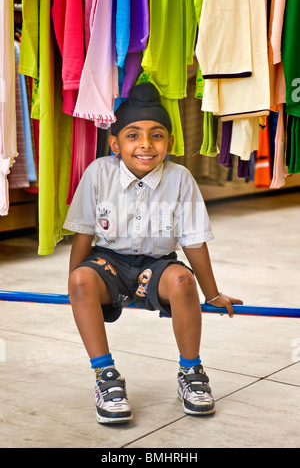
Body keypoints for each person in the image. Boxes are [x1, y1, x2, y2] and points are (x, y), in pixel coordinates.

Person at [64, 82, 243, 424]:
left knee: (181, 280)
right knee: (83, 282)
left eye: (156, 135)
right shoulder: (98, 173)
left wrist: (213, 293)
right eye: (133, 135)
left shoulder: (180, 179)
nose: (145, 144)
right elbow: (85, 234)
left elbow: (193, 241)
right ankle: (106, 376)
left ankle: (191, 373)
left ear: (169, 142)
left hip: (156, 267)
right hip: (108, 265)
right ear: (115, 143)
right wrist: (73, 284)